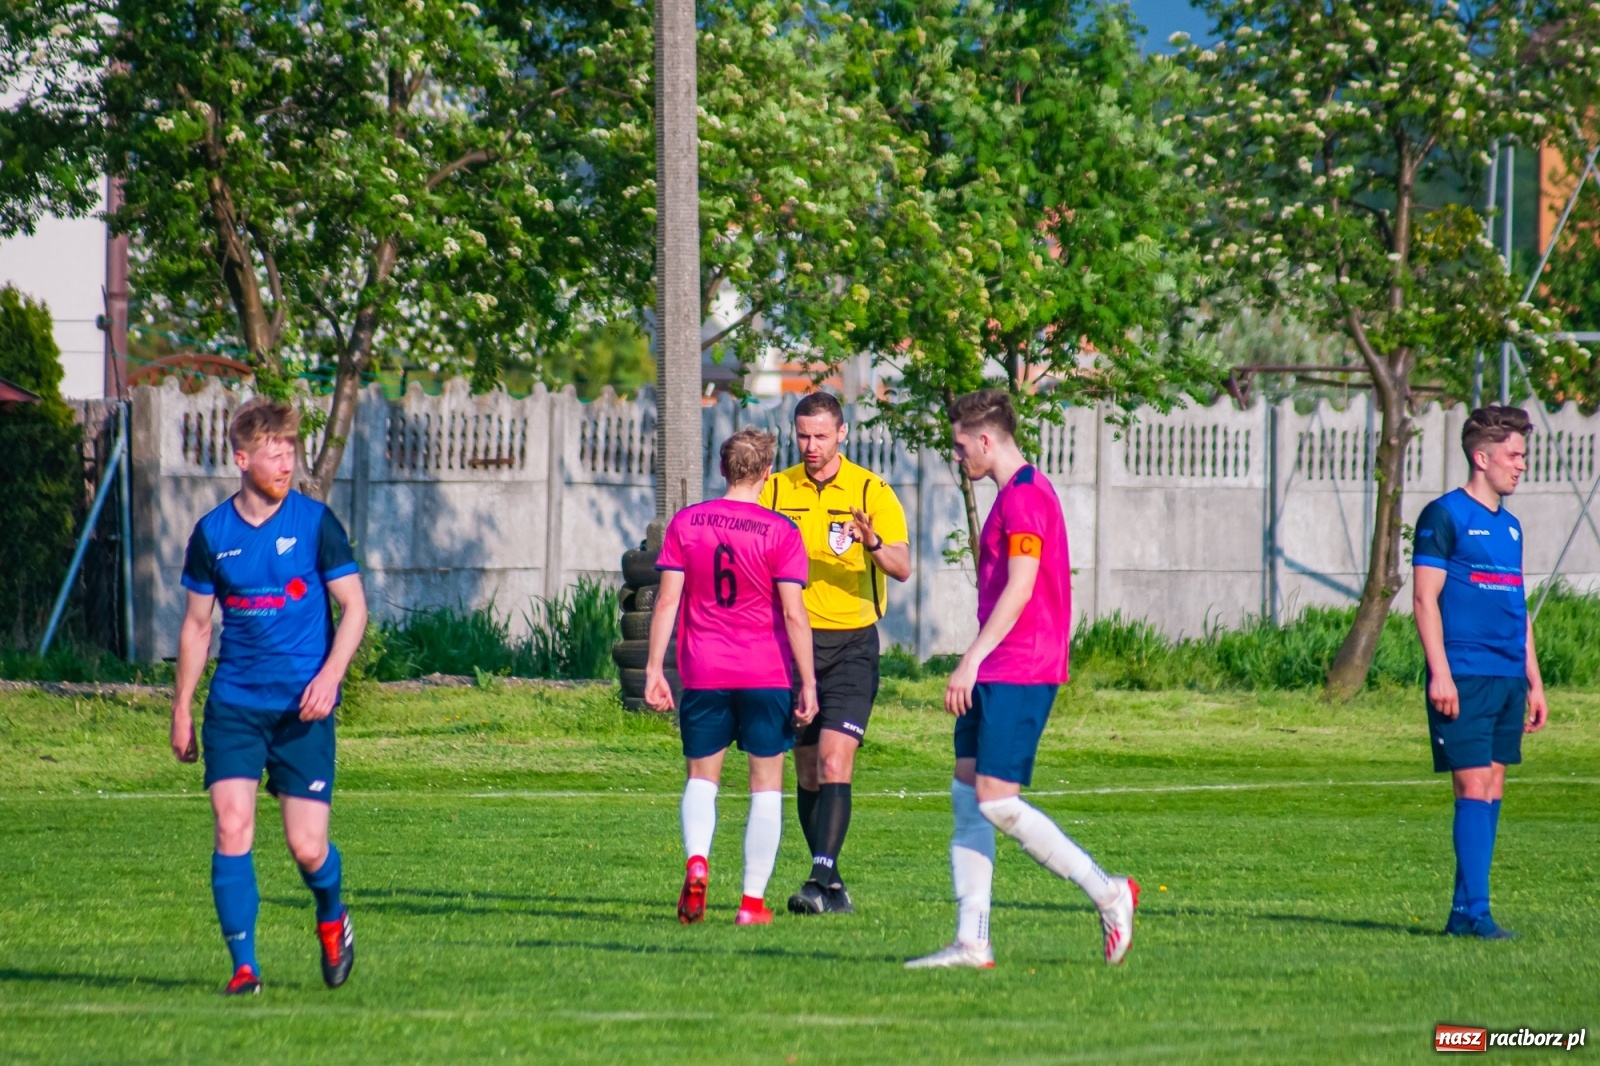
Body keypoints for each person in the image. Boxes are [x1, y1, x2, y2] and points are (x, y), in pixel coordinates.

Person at [906, 390, 1137, 970]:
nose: (957, 456)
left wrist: (971, 659)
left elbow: (1022, 586)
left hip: (1022, 665)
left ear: (986, 440)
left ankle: (1109, 892)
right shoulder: (1011, 494)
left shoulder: (1027, 497)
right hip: (998, 664)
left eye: (961, 446)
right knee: (967, 796)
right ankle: (972, 941)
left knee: (996, 802)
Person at [170, 398, 368, 995]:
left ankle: (332, 916)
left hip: (303, 710)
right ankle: (244, 968)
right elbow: (197, 626)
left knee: (307, 847)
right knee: (232, 827)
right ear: (241, 457)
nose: (285, 460)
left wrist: (331, 676)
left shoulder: (314, 523)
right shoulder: (212, 534)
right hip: (234, 706)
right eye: (273, 450)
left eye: (291, 448)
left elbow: (354, 608)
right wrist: (181, 706)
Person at [646, 427, 820, 925]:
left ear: (722, 469)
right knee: (765, 786)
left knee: (702, 779)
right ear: (767, 472)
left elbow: (665, 601)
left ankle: (698, 860)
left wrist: (655, 668)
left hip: (703, 671)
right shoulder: (781, 532)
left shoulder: (686, 523)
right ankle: (750, 904)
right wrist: (807, 681)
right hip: (764, 671)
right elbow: (794, 614)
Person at [762, 391, 911, 915]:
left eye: (821, 436)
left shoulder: (871, 489)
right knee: (805, 773)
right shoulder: (777, 491)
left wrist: (871, 542)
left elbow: (902, 566)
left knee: (833, 761)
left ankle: (814, 881)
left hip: (852, 645)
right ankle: (834, 886)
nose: (811, 445)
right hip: (793, 647)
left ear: (842, 434)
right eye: (803, 435)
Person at [1413, 404, 1548, 940]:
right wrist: (1439, 673)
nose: (1521, 466)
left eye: (1522, 455)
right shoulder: (1443, 516)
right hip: (1463, 672)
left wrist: (1534, 681)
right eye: (1513, 456)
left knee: (1491, 787)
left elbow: (1519, 608)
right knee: (1471, 786)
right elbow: (1425, 600)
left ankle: (1462, 913)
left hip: (1507, 675)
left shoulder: (1511, 529)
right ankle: (1478, 912)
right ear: (1481, 456)